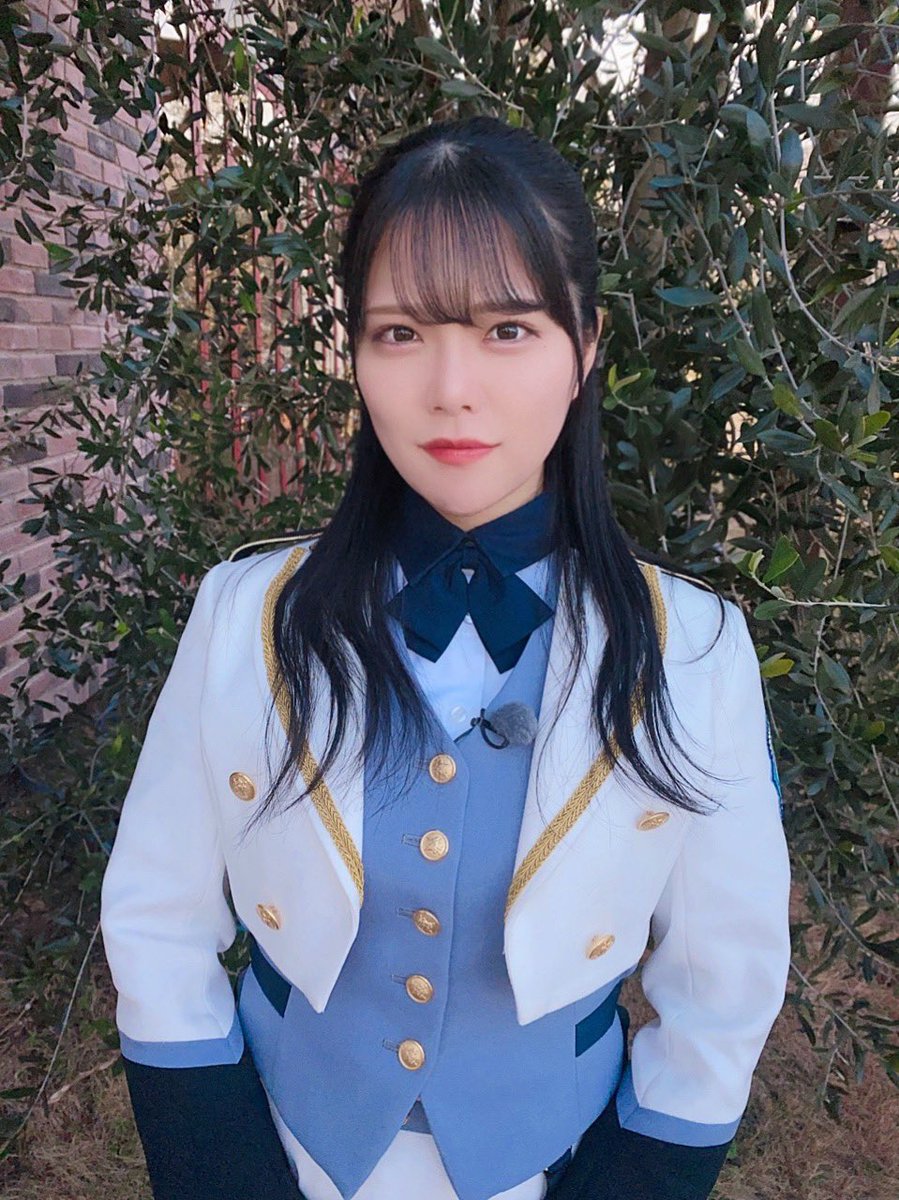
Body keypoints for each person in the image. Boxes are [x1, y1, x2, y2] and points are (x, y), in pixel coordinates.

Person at [99, 114, 792, 1200]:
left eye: (508, 328)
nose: (450, 389)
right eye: (399, 333)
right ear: (355, 351)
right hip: (282, 1149)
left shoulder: (693, 651)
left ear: (586, 346)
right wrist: (218, 1169)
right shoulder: (244, 616)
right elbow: (156, 915)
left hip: (548, 1166)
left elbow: (724, 980)